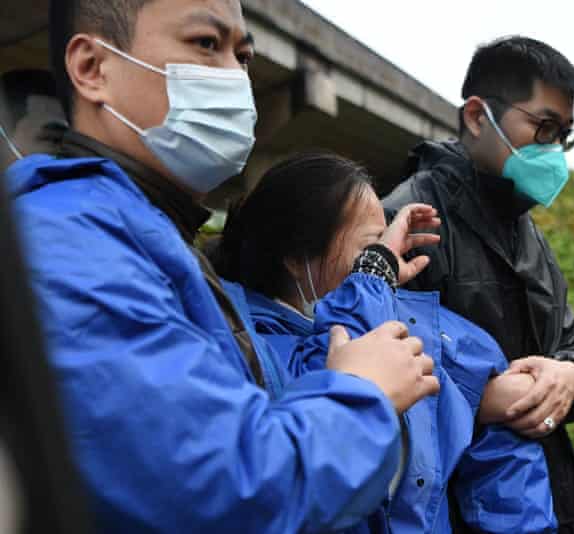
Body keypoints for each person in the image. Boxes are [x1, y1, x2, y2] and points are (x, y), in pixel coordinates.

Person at [6, 0, 439, 530]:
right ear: (93, 69)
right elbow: (221, 494)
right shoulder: (71, 240)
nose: (235, 77)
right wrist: (360, 394)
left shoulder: (138, 230)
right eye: (206, 45)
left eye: (244, 55)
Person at [213, 152, 557, 533]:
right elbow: (336, 393)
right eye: (370, 249)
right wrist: (374, 276)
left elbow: (507, 445)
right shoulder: (242, 342)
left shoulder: (411, 318)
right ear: (296, 258)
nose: (387, 260)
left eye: (385, 247)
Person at [384, 36, 574, 533]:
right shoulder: (407, 219)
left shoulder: (529, 235)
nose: (553, 151)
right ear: (478, 117)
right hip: (458, 511)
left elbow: (572, 351)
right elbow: (363, 380)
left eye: (563, 136)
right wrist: (474, 399)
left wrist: (573, 377)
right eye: (543, 127)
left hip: (549, 502)